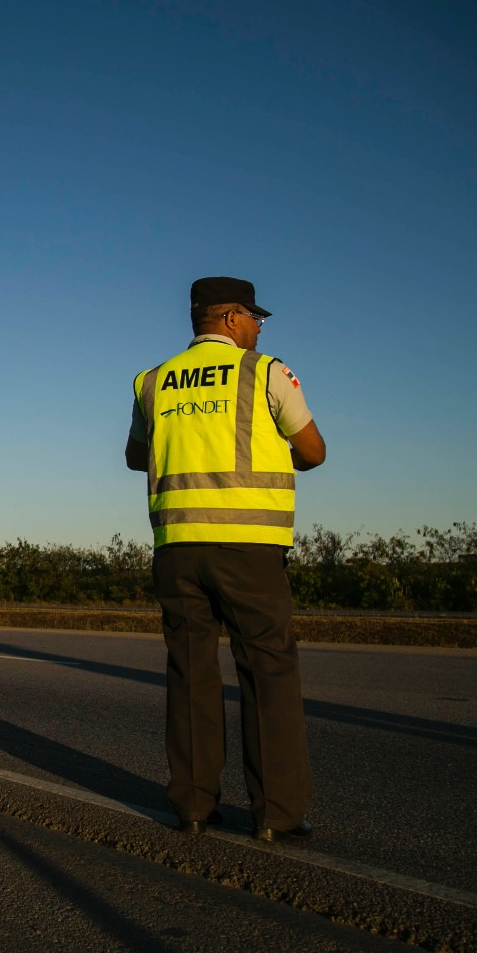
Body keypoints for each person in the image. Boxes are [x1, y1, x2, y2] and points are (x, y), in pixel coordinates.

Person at [126, 276, 327, 843]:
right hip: (249, 549)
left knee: (190, 672)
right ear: (233, 317)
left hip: (177, 550)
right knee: (268, 674)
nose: (260, 329)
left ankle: (192, 806)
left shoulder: (152, 380)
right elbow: (314, 450)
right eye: (256, 319)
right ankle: (276, 815)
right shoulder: (264, 371)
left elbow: (135, 456)